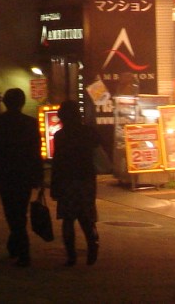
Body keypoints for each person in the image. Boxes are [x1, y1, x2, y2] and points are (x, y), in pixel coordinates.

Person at [0, 87, 43, 267]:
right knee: (20, 211)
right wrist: (38, 174)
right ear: (22, 103)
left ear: (5, 103)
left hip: (5, 172)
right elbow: (36, 150)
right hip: (24, 172)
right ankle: (16, 245)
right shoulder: (30, 123)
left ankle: (22, 249)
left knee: (11, 211)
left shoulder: (0, 121)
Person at [50, 102, 102, 266]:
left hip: (67, 180)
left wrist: (54, 184)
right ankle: (92, 244)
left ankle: (71, 255)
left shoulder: (60, 135)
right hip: (86, 178)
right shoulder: (88, 132)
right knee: (86, 216)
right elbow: (97, 143)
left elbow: (58, 162)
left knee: (68, 219)